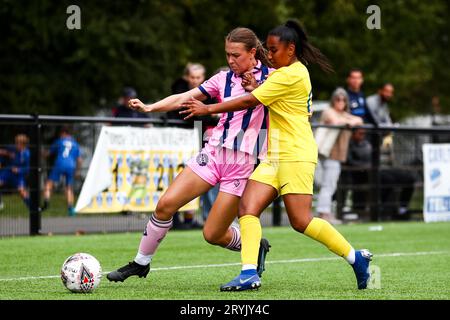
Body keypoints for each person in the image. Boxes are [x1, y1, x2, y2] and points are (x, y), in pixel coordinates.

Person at [181, 19, 373, 291]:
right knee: (248, 208)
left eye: (273, 50)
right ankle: (248, 273)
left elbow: (251, 101)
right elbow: (260, 93)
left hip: (296, 155)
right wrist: (252, 86)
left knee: (300, 221)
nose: (268, 55)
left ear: (291, 49)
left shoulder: (291, 74)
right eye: (267, 50)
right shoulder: (282, 72)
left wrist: (208, 109)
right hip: (273, 155)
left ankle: (356, 258)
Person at [106, 27, 273, 283]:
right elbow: (184, 96)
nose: (230, 60)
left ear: (252, 52)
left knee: (213, 234)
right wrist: (150, 107)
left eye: (236, 55)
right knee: (165, 205)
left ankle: (253, 245)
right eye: (227, 54)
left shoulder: (273, 78)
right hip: (213, 153)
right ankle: (141, 263)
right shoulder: (222, 79)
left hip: (242, 163)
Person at [168, 63, 220, 229]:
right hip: (182, 144)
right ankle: (174, 218)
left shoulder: (209, 94)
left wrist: (209, 115)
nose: (195, 80)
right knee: (179, 180)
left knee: (206, 182)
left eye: (199, 77)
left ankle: (203, 219)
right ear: (186, 77)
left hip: (203, 145)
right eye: (192, 77)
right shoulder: (180, 93)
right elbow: (184, 116)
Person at [315, 88, 362, 225]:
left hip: (336, 154)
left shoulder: (344, 115)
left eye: (343, 100)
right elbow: (335, 121)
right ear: (333, 100)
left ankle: (324, 213)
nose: (340, 102)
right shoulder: (329, 111)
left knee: (330, 184)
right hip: (328, 153)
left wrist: (350, 121)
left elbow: (358, 119)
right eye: (337, 99)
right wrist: (348, 121)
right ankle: (324, 214)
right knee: (328, 185)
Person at [347, 128, 416, 220]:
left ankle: (402, 208)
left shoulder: (367, 143)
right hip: (364, 173)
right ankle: (383, 209)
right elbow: (349, 162)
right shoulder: (349, 145)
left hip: (379, 168)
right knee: (388, 180)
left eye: (363, 133)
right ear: (353, 134)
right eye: (360, 133)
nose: (362, 135)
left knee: (409, 178)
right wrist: (366, 166)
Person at [42, 127, 82, 216]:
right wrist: (78, 171)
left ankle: (46, 201)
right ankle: (71, 208)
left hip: (60, 163)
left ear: (63, 133)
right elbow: (79, 160)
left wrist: (42, 154)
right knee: (69, 187)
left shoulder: (59, 141)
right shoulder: (75, 144)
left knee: (49, 183)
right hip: (71, 165)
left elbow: (49, 153)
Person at [0, 134, 30, 209]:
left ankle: (31, 207)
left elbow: (28, 168)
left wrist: (19, 170)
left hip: (18, 174)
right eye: (16, 143)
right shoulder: (12, 148)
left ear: (23, 145)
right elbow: (2, 151)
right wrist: (7, 153)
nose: (16, 145)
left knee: (22, 191)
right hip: (8, 171)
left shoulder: (27, 154)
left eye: (18, 143)